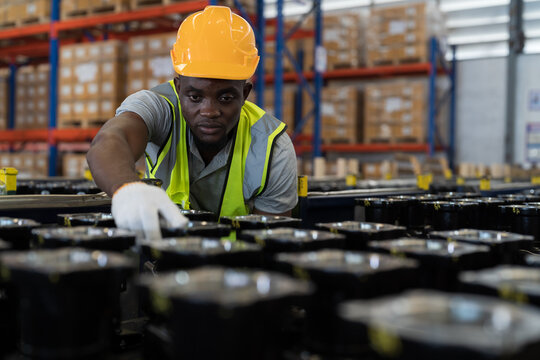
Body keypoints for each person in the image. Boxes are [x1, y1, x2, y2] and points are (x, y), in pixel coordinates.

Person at [87, 5, 298, 240]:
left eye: (225, 98)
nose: (209, 111)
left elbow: (270, 244)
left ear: (245, 93)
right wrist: (126, 188)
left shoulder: (272, 148)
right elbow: (110, 140)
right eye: (195, 97)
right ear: (178, 88)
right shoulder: (158, 107)